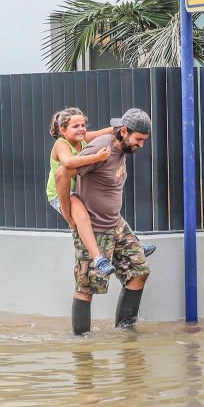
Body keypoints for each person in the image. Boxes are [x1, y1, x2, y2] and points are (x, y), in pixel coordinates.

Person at [55, 108, 153, 335]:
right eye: (139, 140)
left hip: (116, 224)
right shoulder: (101, 148)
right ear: (125, 132)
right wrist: (68, 213)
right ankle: (83, 347)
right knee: (86, 287)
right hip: (95, 227)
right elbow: (62, 174)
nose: (141, 145)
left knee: (139, 271)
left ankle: (125, 334)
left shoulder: (121, 146)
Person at [47, 108, 156, 277]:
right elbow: (67, 164)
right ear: (62, 130)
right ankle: (98, 259)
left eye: (83, 124)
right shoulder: (61, 144)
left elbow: (101, 132)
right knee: (81, 217)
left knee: (114, 213)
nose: (82, 129)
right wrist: (97, 158)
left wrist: (123, 126)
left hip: (74, 189)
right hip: (61, 193)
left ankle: (135, 246)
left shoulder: (83, 139)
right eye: (76, 126)